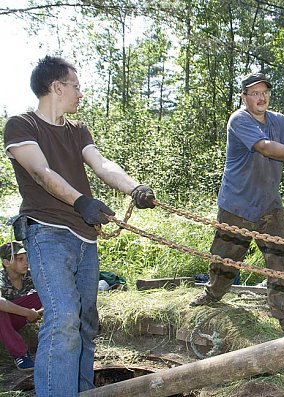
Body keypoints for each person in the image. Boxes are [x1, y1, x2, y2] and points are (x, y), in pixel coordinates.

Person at [2, 56, 156, 396]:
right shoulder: (21, 125)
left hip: (85, 240)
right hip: (47, 235)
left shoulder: (77, 130)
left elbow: (101, 163)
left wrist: (135, 188)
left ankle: (83, 391)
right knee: (64, 320)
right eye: (77, 86)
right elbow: (41, 172)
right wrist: (80, 201)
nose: (81, 93)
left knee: (85, 325)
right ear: (57, 87)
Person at [189, 72, 284, 335]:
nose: (261, 97)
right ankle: (212, 294)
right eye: (254, 93)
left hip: (269, 204)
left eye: (264, 92)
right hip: (236, 204)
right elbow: (265, 147)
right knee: (225, 260)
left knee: (281, 261)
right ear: (244, 98)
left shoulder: (280, 121)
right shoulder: (239, 120)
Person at [0, 241, 43, 371]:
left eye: (26, 258)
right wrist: (27, 313)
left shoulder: (31, 275)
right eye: (20, 259)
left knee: (39, 295)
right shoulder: (1, 278)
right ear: (6, 263)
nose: (26, 262)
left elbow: (52, 297)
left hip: (18, 318)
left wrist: (38, 312)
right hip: (4, 321)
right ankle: (20, 354)